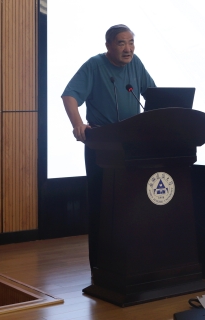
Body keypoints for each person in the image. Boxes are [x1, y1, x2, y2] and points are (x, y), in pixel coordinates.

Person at [61, 24, 155, 269]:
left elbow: (154, 96)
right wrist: (77, 124)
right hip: (102, 145)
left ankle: (133, 259)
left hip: (132, 145)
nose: (128, 49)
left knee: (133, 204)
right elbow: (69, 95)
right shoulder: (95, 65)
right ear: (108, 46)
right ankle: (102, 265)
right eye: (122, 43)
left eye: (131, 42)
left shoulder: (136, 64)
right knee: (102, 204)